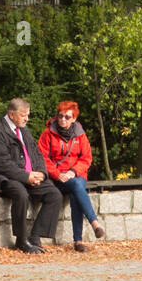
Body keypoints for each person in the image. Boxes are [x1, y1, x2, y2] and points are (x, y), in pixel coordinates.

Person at [0, 98, 62, 253]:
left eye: (28, 115)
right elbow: (1, 164)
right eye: (23, 115)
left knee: (54, 194)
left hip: (29, 176)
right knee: (21, 194)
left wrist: (41, 173)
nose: (27, 118)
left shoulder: (24, 130)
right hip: (5, 177)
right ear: (11, 115)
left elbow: (37, 154)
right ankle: (21, 240)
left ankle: (35, 236)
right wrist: (26, 177)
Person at [37, 101, 105, 252]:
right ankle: (94, 224)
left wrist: (73, 171)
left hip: (76, 174)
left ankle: (78, 241)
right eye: (60, 116)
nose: (63, 120)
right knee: (77, 186)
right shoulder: (48, 133)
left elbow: (86, 158)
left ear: (74, 118)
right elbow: (42, 158)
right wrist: (57, 174)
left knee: (76, 188)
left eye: (67, 117)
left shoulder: (80, 134)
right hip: (57, 177)